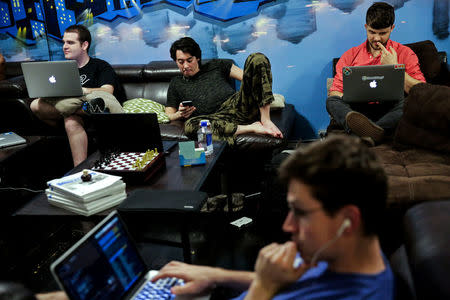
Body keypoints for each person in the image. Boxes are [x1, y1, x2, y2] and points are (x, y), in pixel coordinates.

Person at [152, 135, 394, 300]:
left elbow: (273, 285)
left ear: (348, 220)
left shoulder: (358, 294)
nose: (288, 225)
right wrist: (215, 276)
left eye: (300, 213)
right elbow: (291, 281)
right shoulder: (343, 250)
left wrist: (262, 288)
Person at [326, 2, 426, 144]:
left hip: (390, 109)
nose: (377, 38)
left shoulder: (405, 53)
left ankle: (365, 134)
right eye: (372, 32)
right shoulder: (350, 55)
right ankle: (375, 131)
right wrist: (349, 96)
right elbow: (335, 92)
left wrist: (395, 67)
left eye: (382, 33)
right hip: (359, 112)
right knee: (331, 101)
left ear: (392, 28)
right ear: (366, 27)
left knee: (412, 101)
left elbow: (422, 92)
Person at [30, 25, 124, 167]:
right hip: (73, 111)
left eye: (70, 42)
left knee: (70, 120)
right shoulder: (61, 69)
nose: (64, 46)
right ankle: (86, 110)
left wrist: (83, 90)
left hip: (95, 117)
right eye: (64, 42)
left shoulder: (100, 66)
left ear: (84, 45)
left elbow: (107, 91)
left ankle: (79, 170)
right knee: (35, 104)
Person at [165, 37, 283, 145]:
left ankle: (266, 120)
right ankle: (251, 127)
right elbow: (168, 116)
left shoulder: (217, 65)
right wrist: (179, 114)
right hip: (215, 120)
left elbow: (251, 80)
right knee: (190, 126)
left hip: (237, 106)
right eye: (180, 62)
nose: (185, 65)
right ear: (176, 61)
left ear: (197, 57)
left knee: (257, 58)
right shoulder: (176, 83)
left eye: (189, 60)